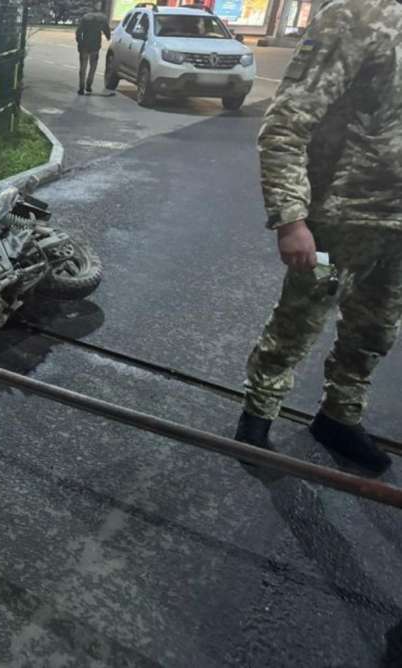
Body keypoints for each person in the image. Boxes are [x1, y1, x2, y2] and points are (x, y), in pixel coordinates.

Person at [235, 0, 402, 475]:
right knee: (300, 320)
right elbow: (286, 123)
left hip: (397, 229)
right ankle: (257, 418)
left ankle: (339, 416)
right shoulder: (358, 15)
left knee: (375, 329)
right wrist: (291, 219)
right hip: (340, 222)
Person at [75, 10, 111, 95]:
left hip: (84, 45)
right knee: (93, 66)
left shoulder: (85, 18)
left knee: (83, 67)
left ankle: (81, 87)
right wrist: (108, 37)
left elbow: (78, 32)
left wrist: (79, 41)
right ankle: (89, 85)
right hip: (95, 46)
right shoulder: (102, 19)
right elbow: (107, 31)